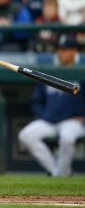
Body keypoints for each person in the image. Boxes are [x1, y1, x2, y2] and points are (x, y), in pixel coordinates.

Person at [18, 35, 85, 176]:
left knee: (67, 138)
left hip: (72, 121)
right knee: (26, 135)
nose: (61, 53)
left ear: (74, 51)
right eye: (59, 49)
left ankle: (62, 173)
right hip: (49, 120)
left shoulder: (81, 71)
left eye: (65, 50)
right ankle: (56, 172)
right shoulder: (50, 71)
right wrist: (44, 115)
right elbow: (37, 101)